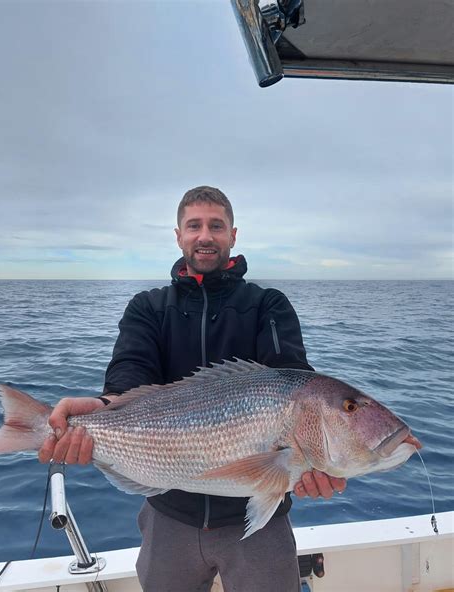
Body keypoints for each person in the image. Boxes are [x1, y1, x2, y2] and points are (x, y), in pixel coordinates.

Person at [39, 186, 347, 592]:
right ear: (179, 235)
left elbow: (293, 381)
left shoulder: (267, 304)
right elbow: (129, 378)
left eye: (216, 226)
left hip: (258, 519)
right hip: (169, 513)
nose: (205, 235)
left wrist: (312, 459)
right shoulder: (148, 307)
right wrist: (101, 407)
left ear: (233, 235)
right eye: (194, 226)